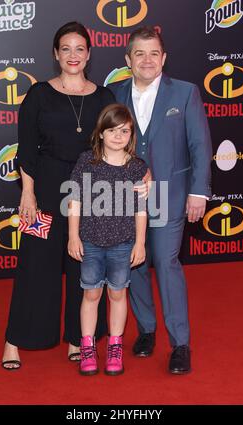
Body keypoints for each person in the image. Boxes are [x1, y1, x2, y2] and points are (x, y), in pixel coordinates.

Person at [2, 22, 115, 369]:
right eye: (66, 48)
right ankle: (14, 341)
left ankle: (78, 338)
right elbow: (27, 149)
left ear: (89, 54)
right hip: (46, 189)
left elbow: (113, 145)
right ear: (55, 53)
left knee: (85, 265)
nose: (73, 55)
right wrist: (29, 195)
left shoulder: (104, 97)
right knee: (35, 262)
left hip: (91, 191)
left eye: (79, 48)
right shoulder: (38, 94)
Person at [108, 27, 212, 374]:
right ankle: (147, 330)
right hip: (125, 196)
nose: (147, 60)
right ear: (128, 60)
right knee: (134, 264)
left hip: (170, 194)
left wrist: (199, 192)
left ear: (164, 58)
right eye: (140, 54)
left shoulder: (185, 93)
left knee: (167, 265)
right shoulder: (113, 95)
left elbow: (199, 145)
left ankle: (180, 344)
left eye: (154, 53)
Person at [67, 104, 148, 375]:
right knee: (91, 293)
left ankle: (115, 345)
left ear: (131, 134)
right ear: (101, 133)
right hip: (90, 241)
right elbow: (75, 201)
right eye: (111, 130)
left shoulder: (137, 167)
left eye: (124, 131)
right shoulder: (86, 162)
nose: (117, 135)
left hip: (123, 243)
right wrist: (73, 236)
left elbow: (141, 209)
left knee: (117, 293)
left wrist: (139, 242)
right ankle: (87, 345)